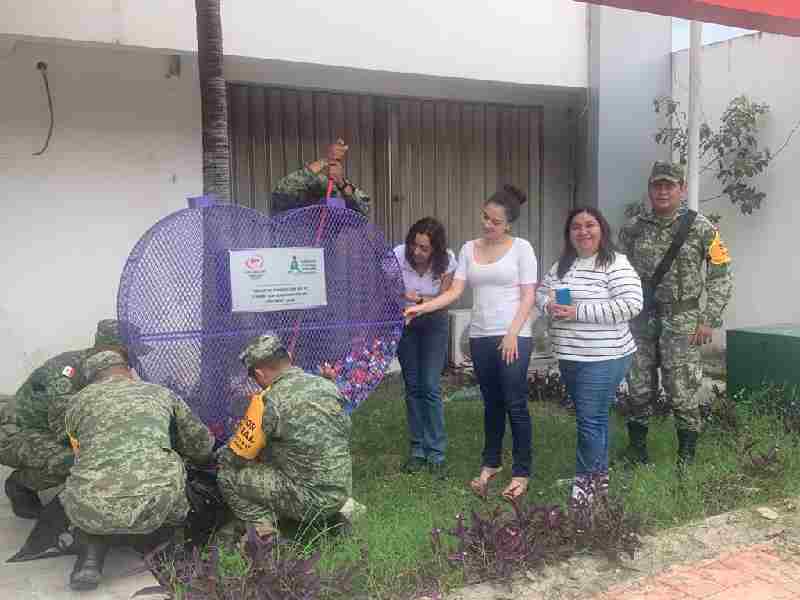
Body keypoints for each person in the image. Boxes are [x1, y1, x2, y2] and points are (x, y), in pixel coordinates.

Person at [405, 185, 537, 500]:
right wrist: (423, 306)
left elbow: (529, 294)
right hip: (479, 335)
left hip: (514, 336)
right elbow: (454, 291)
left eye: (494, 221)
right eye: (484, 217)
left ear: (508, 225)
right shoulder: (469, 249)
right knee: (491, 403)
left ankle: (522, 470)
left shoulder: (522, 248)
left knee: (515, 403)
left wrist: (512, 333)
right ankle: (491, 462)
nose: (486, 224)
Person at [62, 348, 215, 591]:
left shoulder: (77, 401)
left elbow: (76, 449)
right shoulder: (161, 393)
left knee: (85, 474)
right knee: (171, 462)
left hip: (91, 508)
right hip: (155, 506)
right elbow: (201, 445)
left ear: (93, 377)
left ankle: (90, 559)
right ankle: (173, 552)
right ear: (128, 370)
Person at [618, 161, 733, 466]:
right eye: (658, 185)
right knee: (638, 386)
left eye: (670, 185)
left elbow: (720, 272)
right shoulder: (633, 228)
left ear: (681, 189)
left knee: (681, 389)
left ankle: (686, 456)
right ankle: (637, 450)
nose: (663, 191)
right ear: (649, 189)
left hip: (683, 322)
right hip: (640, 320)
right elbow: (619, 273)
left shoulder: (702, 227)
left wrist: (709, 319)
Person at [536, 207, 643, 502]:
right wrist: (549, 306)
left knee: (590, 420)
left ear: (602, 229)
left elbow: (631, 304)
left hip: (604, 356)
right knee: (593, 419)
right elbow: (541, 293)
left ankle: (588, 490)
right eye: (576, 227)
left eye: (590, 225)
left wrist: (578, 311)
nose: (583, 231)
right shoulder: (563, 265)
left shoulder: (614, 264)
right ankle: (597, 476)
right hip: (571, 355)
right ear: (568, 234)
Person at [216, 334, 352, 543]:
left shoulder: (268, 402)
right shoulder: (327, 386)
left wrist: (216, 455)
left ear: (260, 373)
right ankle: (329, 519)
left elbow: (236, 458)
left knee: (227, 476)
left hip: (310, 499)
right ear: (287, 357)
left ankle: (265, 534)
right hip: (340, 490)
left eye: (253, 377)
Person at [0, 319, 123, 519]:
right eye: (128, 354)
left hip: (46, 429)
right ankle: (20, 485)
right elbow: (67, 429)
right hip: (15, 433)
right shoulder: (68, 373)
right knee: (75, 461)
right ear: (111, 350)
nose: (133, 361)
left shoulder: (102, 369)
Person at [394, 218, 457, 477]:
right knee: (413, 387)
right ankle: (418, 450)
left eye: (424, 248)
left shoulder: (448, 261)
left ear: (436, 250)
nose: (416, 252)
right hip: (406, 324)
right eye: (414, 245)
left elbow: (445, 299)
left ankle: (437, 452)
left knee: (430, 386)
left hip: (434, 323)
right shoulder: (398, 255)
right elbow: (386, 292)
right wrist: (402, 299)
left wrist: (419, 300)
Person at [271, 138, 371, 216]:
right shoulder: (304, 186)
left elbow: (363, 212)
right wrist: (325, 161)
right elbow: (282, 190)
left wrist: (341, 183)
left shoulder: (337, 188)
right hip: (298, 241)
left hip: (327, 242)